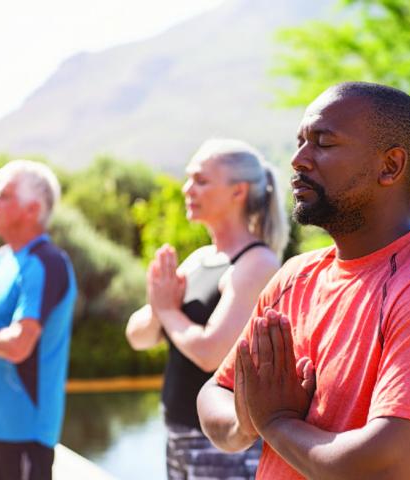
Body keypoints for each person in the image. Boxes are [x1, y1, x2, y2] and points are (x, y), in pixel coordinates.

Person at [197, 82, 410, 479]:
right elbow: (215, 393)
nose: (298, 159)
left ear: (390, 166)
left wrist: (277, 422)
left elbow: (393, 467)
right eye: (300, 141)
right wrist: (247, 421)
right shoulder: (294, 278)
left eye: (323, 143)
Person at [126, 138, 290, 479]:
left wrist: (167, 311)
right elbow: (138, 336)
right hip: (180, 436)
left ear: (238, 192)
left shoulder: (257, 263)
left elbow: (211, 354)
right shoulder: (201, 259)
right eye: (189, 179)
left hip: (223, 446)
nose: (188, 189)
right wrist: (160, 309)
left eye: (201, 180)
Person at [0, 160, 76, 480]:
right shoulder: (2, 258)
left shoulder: (46, 263)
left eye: (5, 196)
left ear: (32, 209)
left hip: (26, 429)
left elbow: (18, 346)